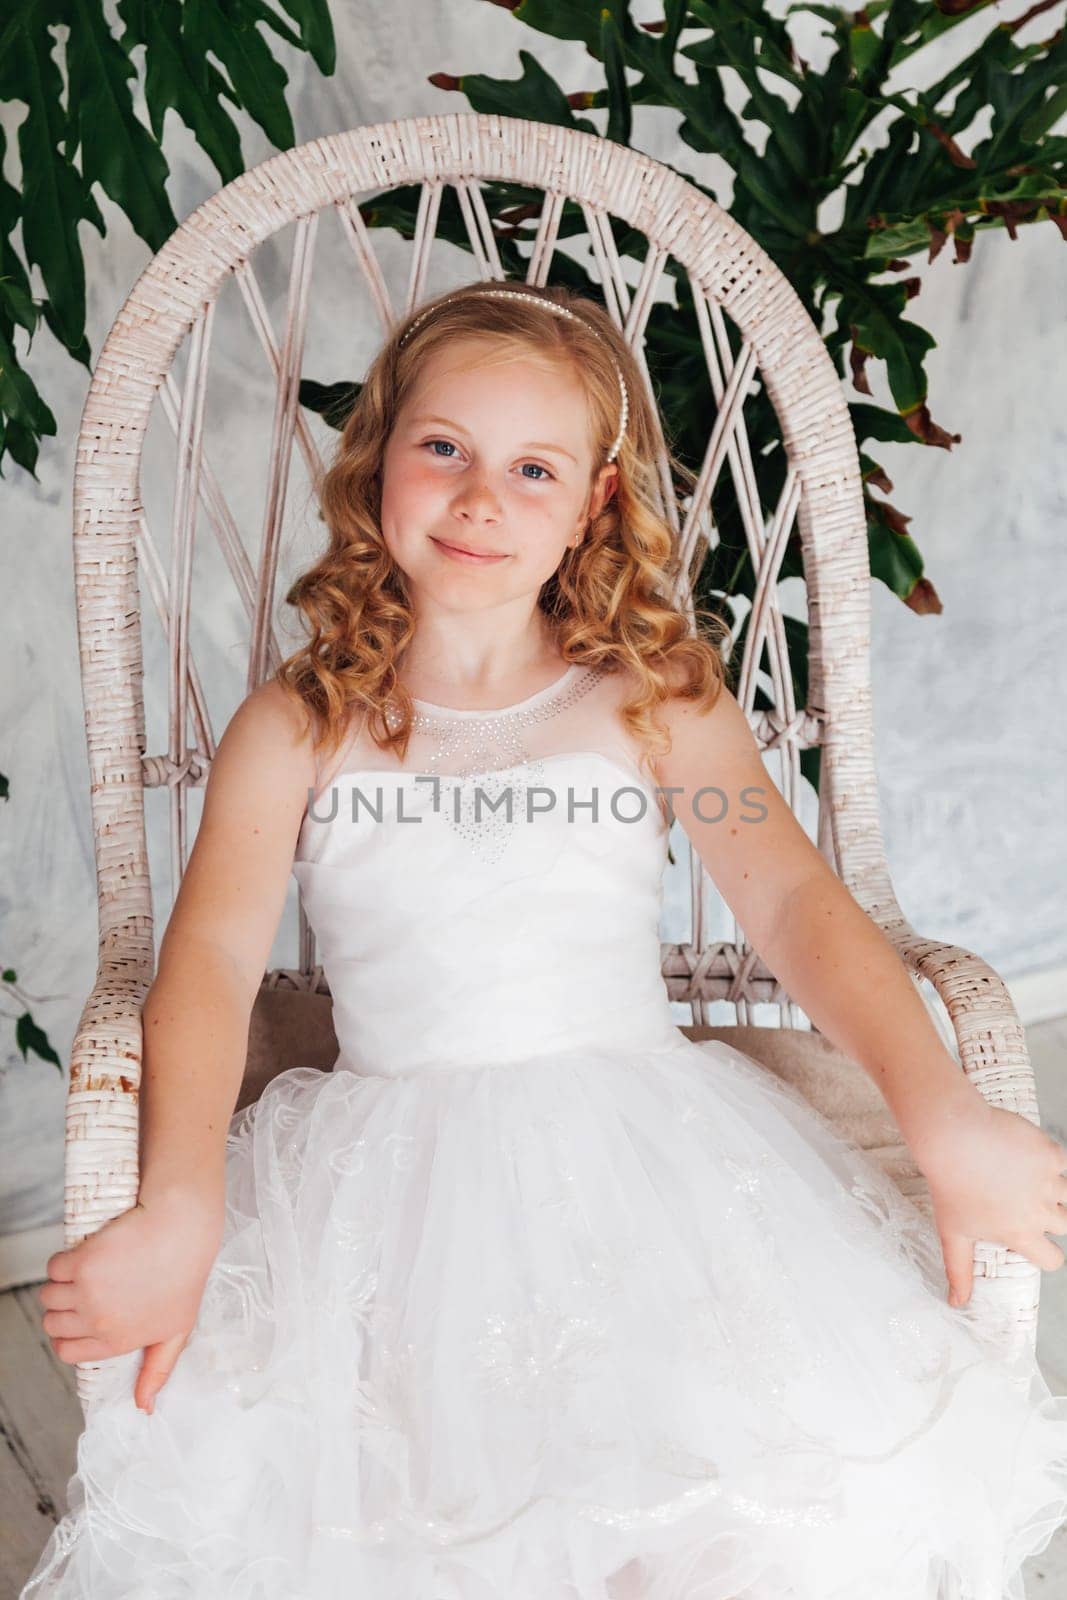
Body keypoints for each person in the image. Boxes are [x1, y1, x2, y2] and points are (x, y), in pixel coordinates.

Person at [22, 279, 1067, 1600]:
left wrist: (941, 1111)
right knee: (399, 1509)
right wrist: (180, 1198)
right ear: (378, 457)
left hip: (649, 1157)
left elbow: (800, 909)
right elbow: (212, 964)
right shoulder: (300, 725)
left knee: (720, 1491)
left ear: (593, 504)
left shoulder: (653, 698)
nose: (479, 497)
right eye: (443, 447)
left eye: (532, 468)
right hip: (385, 1168)